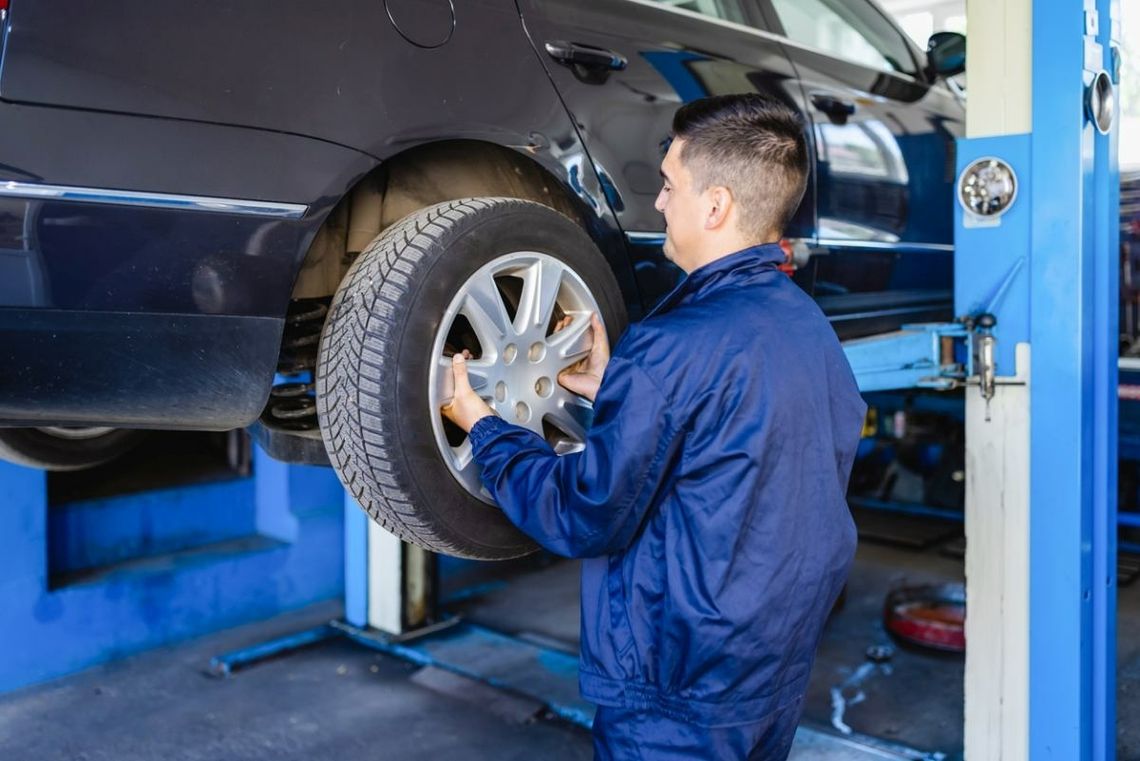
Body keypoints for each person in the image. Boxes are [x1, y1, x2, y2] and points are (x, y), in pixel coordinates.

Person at [442, 94, 866, 761]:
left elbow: (583, 512)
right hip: (769, 676)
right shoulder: (807, 326)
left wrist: (484, 424)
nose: (661, 203)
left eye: (670, 185)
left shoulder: (670, 346)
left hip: (677, 694)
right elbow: (739, 439)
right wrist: (623, 388)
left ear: (717, 205)